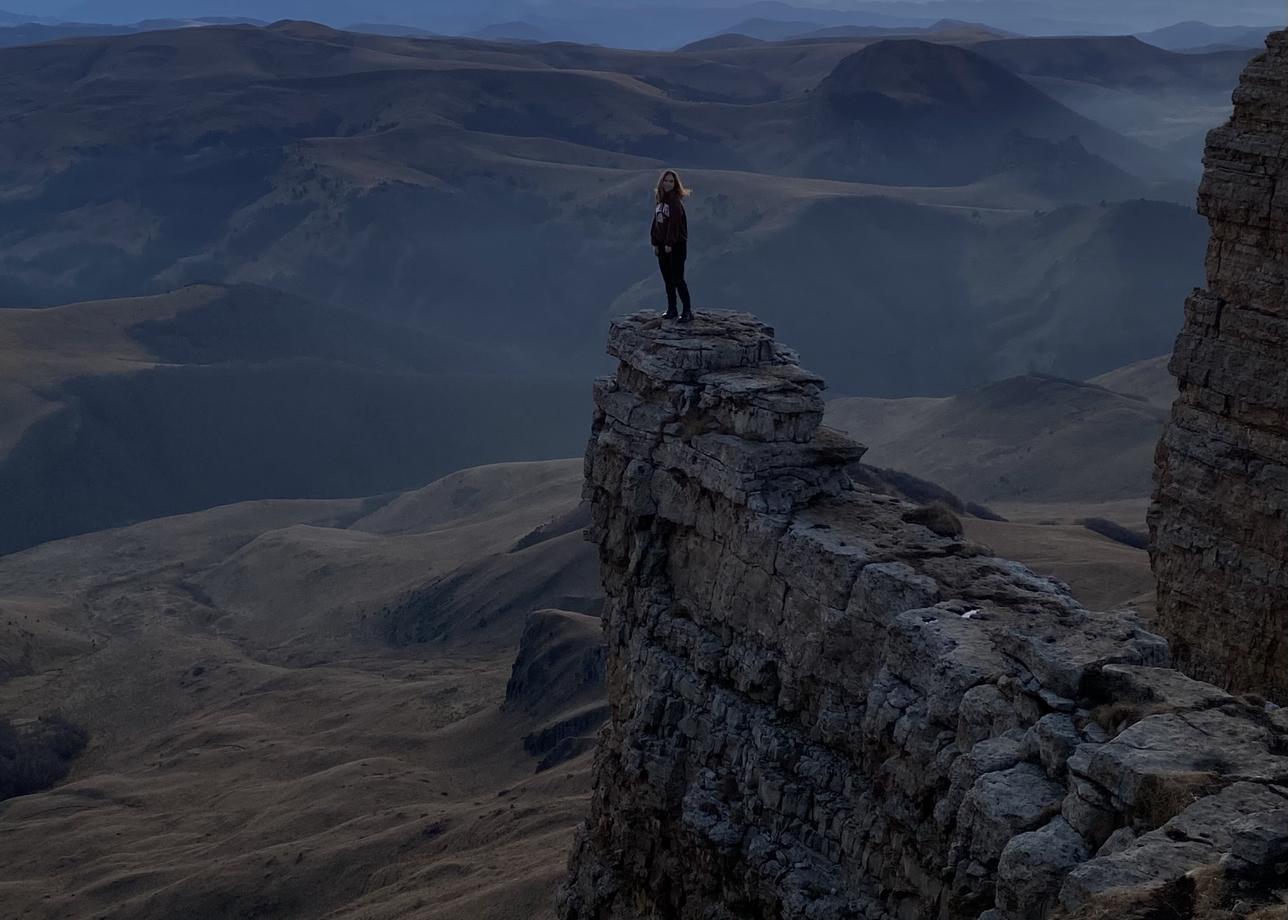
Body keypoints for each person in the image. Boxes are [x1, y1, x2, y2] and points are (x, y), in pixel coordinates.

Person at [650, 169, 693, 322]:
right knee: (667, 279)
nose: (668, 183)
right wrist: (655, 242)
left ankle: (687, 311)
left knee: (678, 279)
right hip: (662, 245)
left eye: (671, 181)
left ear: (675, 184)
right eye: (665, 180)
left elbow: (674, 224)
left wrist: (669, 243)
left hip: (676, 246)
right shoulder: (660, 200)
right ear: (661, 182)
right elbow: (656, 222)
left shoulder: (675, 202)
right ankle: (672, 309)